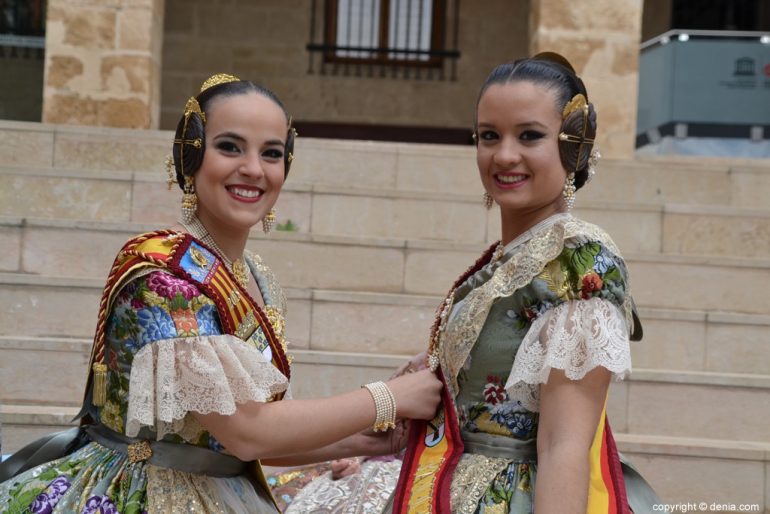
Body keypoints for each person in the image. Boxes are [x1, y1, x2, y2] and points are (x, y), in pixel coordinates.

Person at [0, 74, 442, 513]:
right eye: (230, 146)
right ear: (190, 154)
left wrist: (365, 439)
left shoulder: (256, 277)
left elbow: (234, 444)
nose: (253, 168)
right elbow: (247, 432)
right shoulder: (162, 277)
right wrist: (390, 396)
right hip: (140, 496)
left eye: (271, 153)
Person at [384, 53, 656, 514]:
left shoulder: (579, 264)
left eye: (529, 136)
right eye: (489, 136)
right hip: (448, 479)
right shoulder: (509, 257)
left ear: (574, 145)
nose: (504, 155)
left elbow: (563, 447)